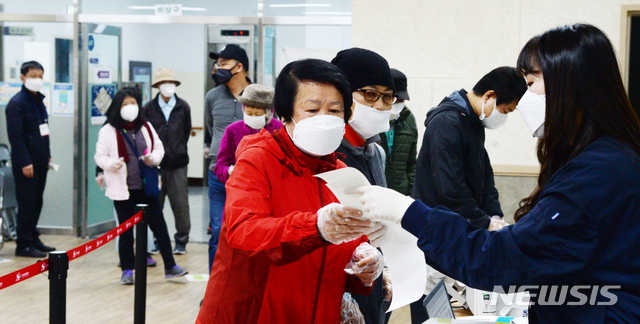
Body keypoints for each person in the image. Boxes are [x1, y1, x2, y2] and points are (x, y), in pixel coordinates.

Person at [354, 24, 640, 323]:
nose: (526, 99)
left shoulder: (597, 172)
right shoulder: (607, 158)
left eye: (531, 83)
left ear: (568, 83)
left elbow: (503, 259)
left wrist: (409, 214)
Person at [197, 59, 385, 324]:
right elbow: (244, 232)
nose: (325, 120)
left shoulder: (342, 172)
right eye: (312, 109)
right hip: (256, 312)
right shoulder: (257, 161)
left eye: (334, 110)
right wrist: (316, 227)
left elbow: (348, 240)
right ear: (285, 114)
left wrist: (364, 260)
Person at [414, 66, 526, 231]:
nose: (504, 117)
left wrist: (494, 215)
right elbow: (450, 188)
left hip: (462, 223)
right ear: (489, 96)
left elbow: (485, 174)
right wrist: (485, 222)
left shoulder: (472, 123)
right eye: (505, 111)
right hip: (438, 226)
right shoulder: (446, 123)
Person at [94, 87, 188, 285]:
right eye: (125, 104)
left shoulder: (146, 126)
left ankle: (170, 266)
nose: (130, 108)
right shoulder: (108, 130)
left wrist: (152, 158)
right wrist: (112, 164)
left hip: (148, 187)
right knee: (126, 233)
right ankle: (127, 270)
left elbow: (159, 148)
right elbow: (100, 156)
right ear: (118, 107)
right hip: (123, 190)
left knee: (160, 228)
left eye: (133, 103)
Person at [331, 47, 394, 324]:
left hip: (370, 279)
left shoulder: (375, 152)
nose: (379, 105)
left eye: (387, 97)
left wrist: (386, 267)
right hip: (336, 285)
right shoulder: (327, 153)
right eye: (370, 94)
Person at [204, 44, 251, 271]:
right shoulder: (212, 96)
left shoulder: (259, 95)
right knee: (217, 232)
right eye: (217, 64)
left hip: (252, 178)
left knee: (249, 233)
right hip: (219, 174)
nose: (218, 68)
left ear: (239, 66)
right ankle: (215, 291)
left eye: (223, 63)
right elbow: (211, 129)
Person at [5, 61, 55, 258]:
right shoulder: (16, 104)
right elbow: (16, 138)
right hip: (26, 163)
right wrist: (25, 162)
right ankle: (23, 244)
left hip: (41, 161)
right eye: (33, 75)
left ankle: (33, 237)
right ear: (22, 77)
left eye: (40, 75)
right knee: (26, 203)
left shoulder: (38, 101)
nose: (38, 80)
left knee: (37, 202)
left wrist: (47, 154)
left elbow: (44, 132)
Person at [142, 68, 192, 255]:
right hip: (155, 166)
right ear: (157, 86)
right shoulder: (148, 108)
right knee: (155, 204)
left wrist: (176, 149)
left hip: (178, 164)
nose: (168, 86)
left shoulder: (183, 106)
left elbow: (185, 132)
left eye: (171, 83)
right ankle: (155, 240)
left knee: (180, 204)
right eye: (164, 83)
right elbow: (145, 135)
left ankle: (181, 240)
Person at [213, 84, 282, 184]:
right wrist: (231, 172)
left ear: (269, 113)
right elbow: (220, 166)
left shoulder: (279, 129)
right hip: (241, 186)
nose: (253, 117)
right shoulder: (233, 130)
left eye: (258, 114)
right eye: (249, 113)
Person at [379, 68, 417, 196]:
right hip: (376, 193)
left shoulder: (408, 119)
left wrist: (412, 195)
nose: (397, 105)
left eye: (401, 101)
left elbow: (412, 164)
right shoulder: (371, 121)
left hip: (400, 193)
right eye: (393, 99)